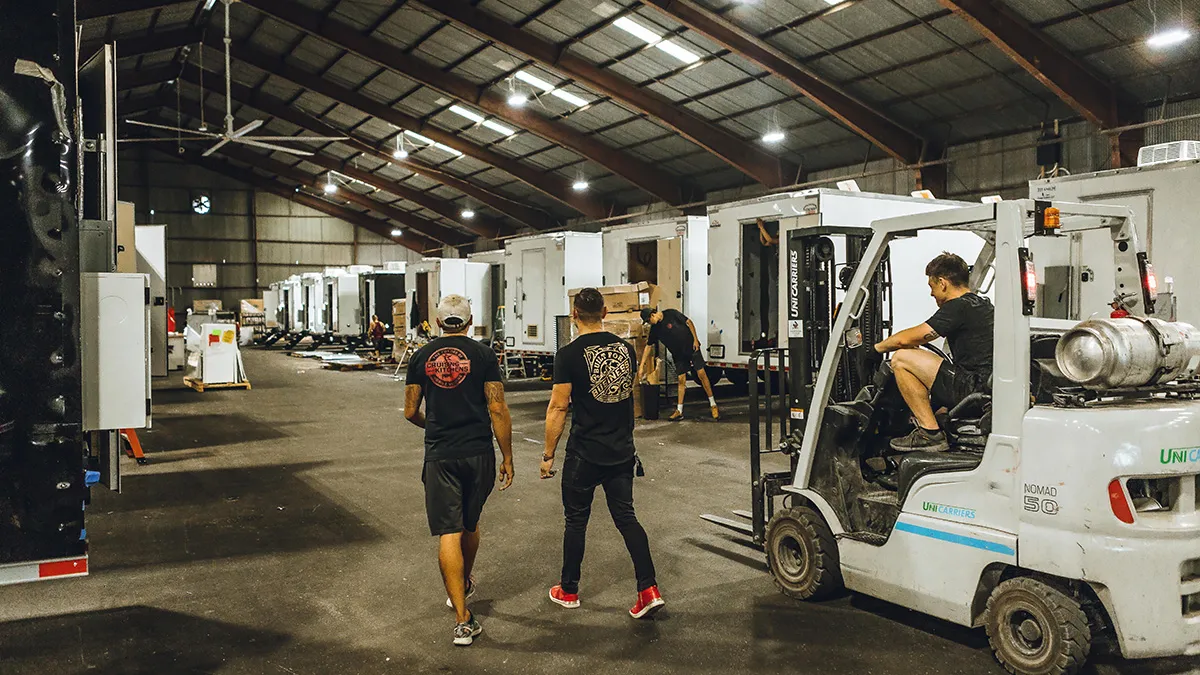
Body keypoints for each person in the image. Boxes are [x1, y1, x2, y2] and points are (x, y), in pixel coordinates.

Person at [542, 288, 664, 619]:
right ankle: (648, 588)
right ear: (606, 312)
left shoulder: (567, 355)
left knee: (576, 521)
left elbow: (558, 407)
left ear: (574, 315)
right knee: (626, 517)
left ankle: (568, 590)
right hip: (621, 451)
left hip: (585, 452)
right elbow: (627, 396)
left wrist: (548, 454)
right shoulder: (625, 349)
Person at [404, 294, 514, 646]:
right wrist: (507, 456)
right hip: (478, 452)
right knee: (470, 524)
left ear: (437, 323)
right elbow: (497, 409)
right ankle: (462, 584)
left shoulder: (421, 357)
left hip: (440, 453)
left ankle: (463, 618)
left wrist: (433, 426)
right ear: (470, 322)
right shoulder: (483, 355)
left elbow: (409, 411)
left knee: (448, 532)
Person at [873, 252, 994, 452]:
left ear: (942, 283)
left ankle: (929, 433)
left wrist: (877, 349)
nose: (931, 294)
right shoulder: (980, 304)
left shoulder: (958, 306)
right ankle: (930, 421)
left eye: (932, 287)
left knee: (901, 358)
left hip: (972, 387)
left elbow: (909, 338)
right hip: (982, 384)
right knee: (913, 353)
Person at [637, 307, 719, 421]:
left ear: (653, 315)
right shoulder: (655, 329)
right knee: (681, 380)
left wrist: (695, 339)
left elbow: (689, 322)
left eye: (649, 320)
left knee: (701, 374)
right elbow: (648, 346)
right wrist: (641, 366)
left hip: (691, 347)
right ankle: (679, 411)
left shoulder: (671, 314)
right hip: (678, 354)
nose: (650, 323)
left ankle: (713, 404)